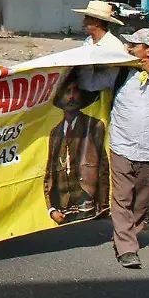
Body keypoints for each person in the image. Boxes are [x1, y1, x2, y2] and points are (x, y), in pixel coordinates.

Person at [80, 28, 149, 269]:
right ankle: (126, 247)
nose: (128, 49)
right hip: (122, 146)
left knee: (141, 201)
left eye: (134, 45)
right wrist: (86, 58)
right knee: (122, 198)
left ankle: (128, 233)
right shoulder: (121, 72)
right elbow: (89, 83)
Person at [43, 72, 109, 226]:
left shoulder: (94, 126)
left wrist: (103, 205)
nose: (71, 96)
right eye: (67, 92)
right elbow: (49, 173)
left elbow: (103, 168)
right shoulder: (55, 132)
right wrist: (51, 209)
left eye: (75, 91)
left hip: (88, 207)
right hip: (62, 211)